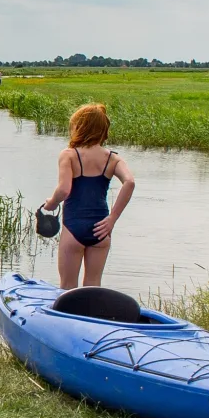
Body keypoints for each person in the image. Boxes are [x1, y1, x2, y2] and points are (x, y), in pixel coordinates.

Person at [42, 103, 136, 289]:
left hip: (73, 228)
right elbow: (130, 182)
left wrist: (51, 204)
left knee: (67, 287)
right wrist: (112, 219)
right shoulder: (113, 158)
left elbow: (64, 190)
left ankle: (66, 318)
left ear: (79, 128)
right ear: (103, 130)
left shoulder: (69, 155)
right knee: (93, 286)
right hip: (101, 229)